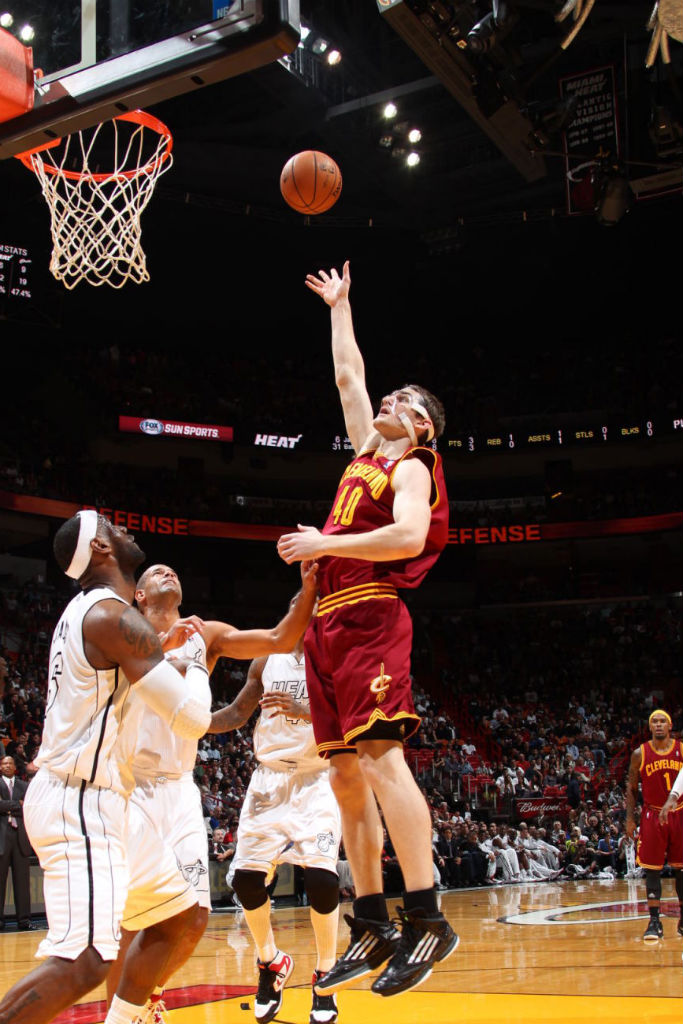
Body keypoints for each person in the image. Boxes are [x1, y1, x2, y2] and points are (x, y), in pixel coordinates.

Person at [277, 261, 457, 999]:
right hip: (324, 627)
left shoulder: (414, 467)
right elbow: (349, 378)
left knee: (382, 762)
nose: (386, 400)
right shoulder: (362, 455)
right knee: (345, 779)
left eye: (403, 401)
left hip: (372, 613)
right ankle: (374, 919)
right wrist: (339, 307)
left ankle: (427, 917)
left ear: (419, 426)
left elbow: (409, 539)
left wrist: (323, 546)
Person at [0, 511, 212, 1024]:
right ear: (100, 546)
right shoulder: (113, 617)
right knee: (85, 963)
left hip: (105, 798)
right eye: (116, 528)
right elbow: (192, 720)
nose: (128, 531)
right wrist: (198, 659)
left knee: (178, 915)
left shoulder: (91, 613)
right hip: (79, 801)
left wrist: (166, 656)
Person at [105, 561, 319, 1023]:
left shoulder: (208, 633)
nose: (166, 571)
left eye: (172, 570)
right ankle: (125, 1012)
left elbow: (280, 638)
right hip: (128, 784)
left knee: (194, 916)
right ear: (139, 596)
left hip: (179, 788)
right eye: (155, 572)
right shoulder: (118, 626)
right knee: (127, 918)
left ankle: (150, 994)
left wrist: (308, 589)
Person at [208, 629, 342, 1024]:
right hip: (268, 780)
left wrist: (305, 710)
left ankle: (325, 974)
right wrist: (189, 722)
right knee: (246, 881)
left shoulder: (333, 661)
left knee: (322, 880)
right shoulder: (266, 659)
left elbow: (353, 719)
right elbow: (236, 713)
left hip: (318, 779)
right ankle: (270, 962)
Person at [626, 709, 683, 942]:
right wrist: (629, 818)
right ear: (650, 727)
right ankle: (654, 921)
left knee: (682, 870)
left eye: (663, 721)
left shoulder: (681, 750)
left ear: (670, 726)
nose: (659, 725)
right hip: (652, 814)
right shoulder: (640, 753)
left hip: (679, 812)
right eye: (654, 722)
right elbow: (631, 789)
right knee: (652, 870)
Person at [0, 755, 33, 931]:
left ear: (15, 767)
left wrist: (6, 805)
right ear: (0, 767)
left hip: (20, 837)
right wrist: (16, 804)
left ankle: (24, 920)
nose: (7, 766)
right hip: (2, 838)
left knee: (22, 882)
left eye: (10, 763)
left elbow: (29, 806)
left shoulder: (24, 786)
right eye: (4, 763)